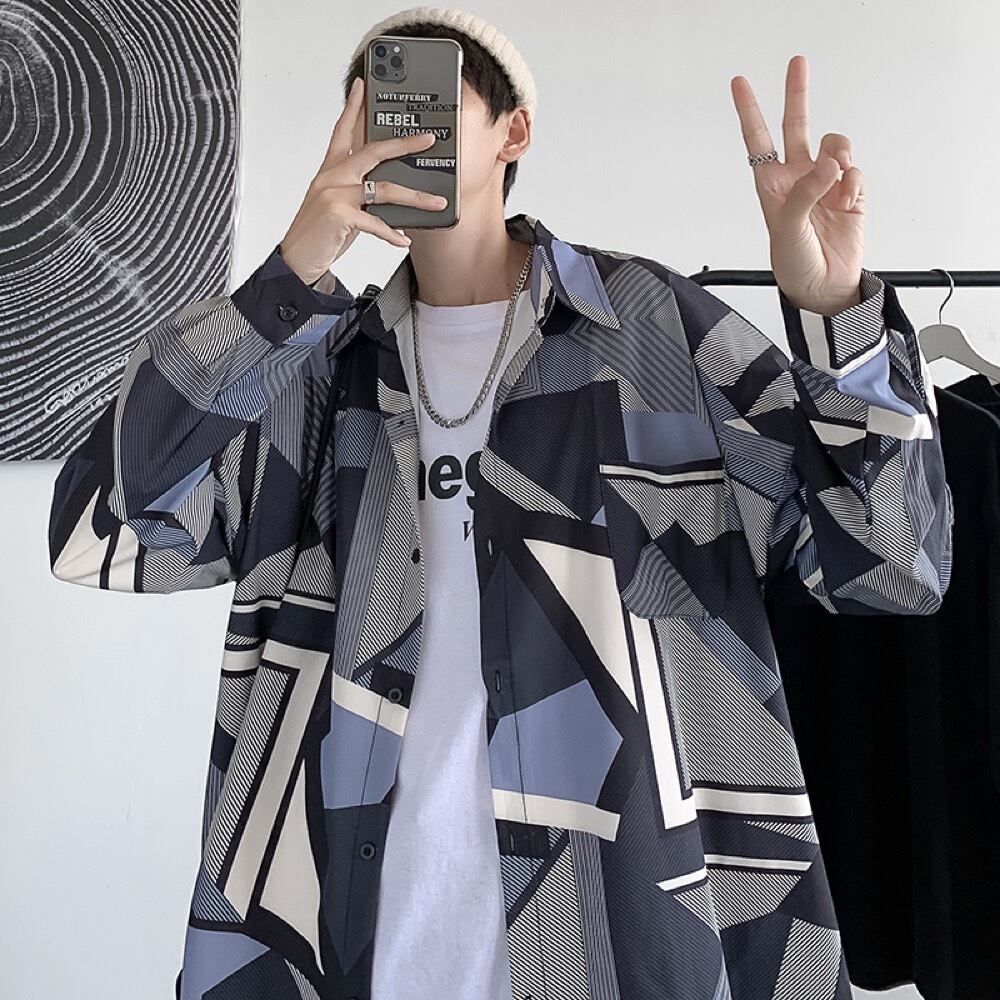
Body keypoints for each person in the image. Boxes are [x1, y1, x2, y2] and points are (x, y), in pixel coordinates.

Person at [46, 6, 954, 1000]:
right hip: (346, 951)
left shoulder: (646, 329)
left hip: (622, 941)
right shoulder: (316, 374)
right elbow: (100, 529)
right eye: (373, 108)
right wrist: (289, 278)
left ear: (514, 130)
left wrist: (836, 317)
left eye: (430, 98)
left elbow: (893, 564)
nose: (400, 127)